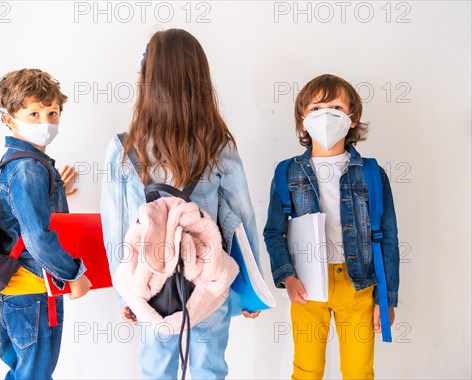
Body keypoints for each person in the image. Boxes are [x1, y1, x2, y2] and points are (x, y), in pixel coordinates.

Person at [100, 29, 260, 379]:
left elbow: (115, 228)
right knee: (208, 371)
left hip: (151, 285)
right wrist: (251, 289)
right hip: (207, 283)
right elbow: (242, 218)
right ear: (199, 78)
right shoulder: (218, 145)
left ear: (148, 79)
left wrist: (125, 295)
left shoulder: (125, 149)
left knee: (156, 372)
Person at [263, 74, 400, 379]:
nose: (326, 115)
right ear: (302, 121)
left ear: (353, 118)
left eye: (337, 107)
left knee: (359, 371)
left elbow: (387, 238)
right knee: (306, 370)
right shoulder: (287, 172)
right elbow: (274, 231)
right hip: (307, 287)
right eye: (316, 108)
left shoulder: (372, 174)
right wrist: (287, 277)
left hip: (359, 286)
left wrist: (386, 299)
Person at [0, 68, 91, 379]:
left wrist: (55, 189)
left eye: (52, 113)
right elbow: (37, 237)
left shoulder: (26, 166)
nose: (46, 123)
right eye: (33, 114)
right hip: (33, 293)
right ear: (8, 119)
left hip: (23, 295)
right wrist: (73, 273)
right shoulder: (27, 170)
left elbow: (24, 215)